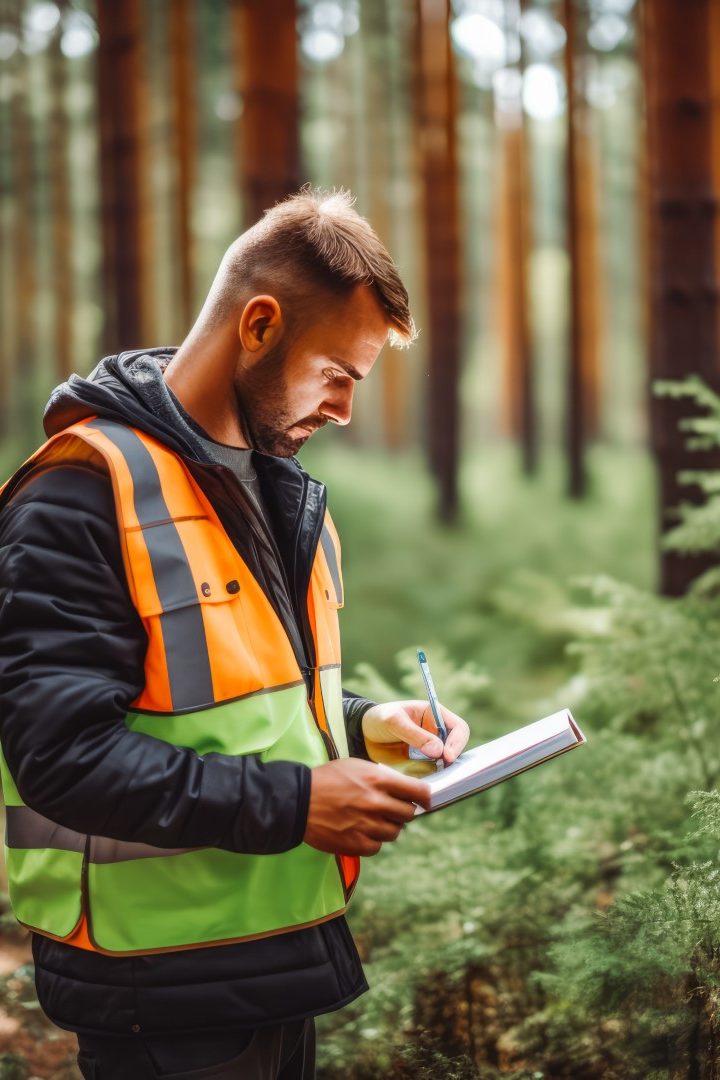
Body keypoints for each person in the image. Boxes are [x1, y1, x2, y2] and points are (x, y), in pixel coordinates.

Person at [0, 187, 469, 1079]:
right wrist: (298, 803)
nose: (344, 411)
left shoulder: (274, 484)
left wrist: (368, 720)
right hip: (161, 988)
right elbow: (59, 758)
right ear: (258, 325)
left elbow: (240, 689)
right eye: (337, 373)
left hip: (275, 954)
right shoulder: (79, 493)